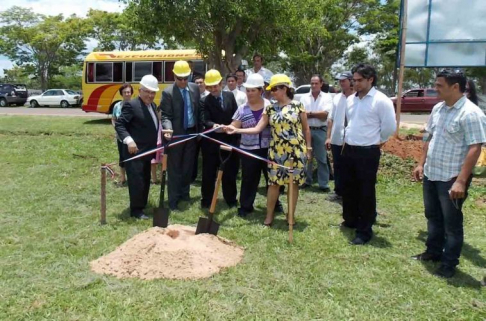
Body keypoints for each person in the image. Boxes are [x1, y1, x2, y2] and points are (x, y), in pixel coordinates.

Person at [412, 69, 486, 278]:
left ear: (455, 87)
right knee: (432, 216)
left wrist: (461, 181)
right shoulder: (439, 108)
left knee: (451, 224)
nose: (435, 89)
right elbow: (430, 137)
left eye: (439, 86)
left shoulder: (471, 113)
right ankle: (433, 252)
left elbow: (475, 148)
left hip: (452, 178)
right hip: (432, 173)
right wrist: (420, 164)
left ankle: (448, 263)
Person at [225, 74, 312, 226]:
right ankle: (269, 215)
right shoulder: (270, 109)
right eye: (271, 90)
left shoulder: (298, 106)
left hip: (296, 151)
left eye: (275, 89)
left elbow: (306, 129)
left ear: (284, 89)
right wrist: (235, 130)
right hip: (276, 151)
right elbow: (257, 129)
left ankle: (290, 216)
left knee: (293, 184)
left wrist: (308, 148)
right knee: (273, 184)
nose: (272, 92)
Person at [340, 64, 396, 245]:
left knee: (365, 192)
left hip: (368, 152)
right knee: (348, 188)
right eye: (353, 80)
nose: (355, 84)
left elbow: (389, 127)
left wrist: (376, 140)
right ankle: (350, 220)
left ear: (370, 80)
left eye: (359, 80)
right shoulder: (351, 100)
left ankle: (364, 230)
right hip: (349, 149)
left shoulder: (381, 100)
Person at [229, 73, 283, 217]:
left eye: (253, 90)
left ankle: (275, 204)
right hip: (248, 149)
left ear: (261, 91)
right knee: (249, 179)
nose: (250, 93)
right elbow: (234, 125)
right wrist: (226, 127)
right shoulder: (242, 109)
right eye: (248, 90)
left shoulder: (271, 107)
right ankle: (246, 206)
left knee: (272, 179)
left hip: (269, 149)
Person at [159, 60, 202, 210]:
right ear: (174, 76)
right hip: (176, 135)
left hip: (191, 133)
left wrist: (199, 130)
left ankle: (185, 194)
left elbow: (198, 111)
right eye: (180, 79)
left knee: (188, 167)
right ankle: (173, 199)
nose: (183, 81)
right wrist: (168, 129)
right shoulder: (168, 93)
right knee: (175, 168)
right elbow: (165, 116)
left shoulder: (195, 88)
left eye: (185, 78)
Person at [115, 75, 160, 220]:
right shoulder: (131, 105)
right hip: (134, 152)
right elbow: (120, 125)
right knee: (136, 181)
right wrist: (129, 140)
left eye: (153, 92)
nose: (150, 95)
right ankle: (136, 210)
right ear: (140, 90)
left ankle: (142, 204)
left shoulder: (152, 105)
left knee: (145, 179)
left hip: (147, 151)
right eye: (147, 91)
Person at [200, 69, 240, 209]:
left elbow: (236, 116)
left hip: (229, 140)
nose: (213, 89)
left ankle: (231, 200)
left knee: (230, 172)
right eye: (209, 87)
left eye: (215, 86)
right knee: (209, 173)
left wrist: (232, 127)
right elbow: (205, 120)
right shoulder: (204, 101)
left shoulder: (230, 96)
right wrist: (215, 126)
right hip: (211, 142)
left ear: (221, 83)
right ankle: (207, 200)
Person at [300, 74, 333, 191]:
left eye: (316, 83)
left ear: (321, 84)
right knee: (306, 157)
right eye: (312, 83)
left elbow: (325, 115)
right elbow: (301, 115)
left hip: (320, 131)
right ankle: (306, 181)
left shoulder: (327, 97)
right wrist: (314, 114)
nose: (313, 85)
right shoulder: (304, 98)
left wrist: (308, 114)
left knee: (322, 159)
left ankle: (323, 184)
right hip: (306, 130)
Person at [326, 71, 354, 201]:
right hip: (336, 138)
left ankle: (349, 192)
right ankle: (338, 191)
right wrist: (328, 137)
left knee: (349, 166)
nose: (341, 83)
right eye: (340, 81)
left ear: (350, 81)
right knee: (337, 165)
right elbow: (330, 118)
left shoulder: (356, 98)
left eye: (344, 80)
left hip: (351, 140)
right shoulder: (337, 98)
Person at [111, 83, 133, 187]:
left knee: (132, 157)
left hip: (132, 138)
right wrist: (116, 128)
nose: (127, 94)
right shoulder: (117, 106)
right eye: (125, 92)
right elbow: (114, 119)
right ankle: (123, 178)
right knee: (122, 157)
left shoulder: (135, 105)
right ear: (121, 94)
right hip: (120, 137)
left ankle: (132, 178)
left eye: (128, 92)